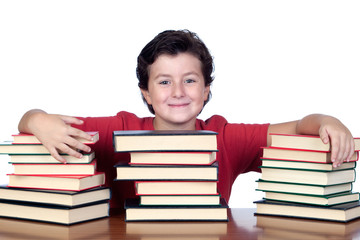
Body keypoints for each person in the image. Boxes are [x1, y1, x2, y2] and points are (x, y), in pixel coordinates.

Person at [18, 30, 355, 209]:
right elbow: (33, 123)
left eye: (190, 80)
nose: (178, 91)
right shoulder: (118, 129)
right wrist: (36, 119)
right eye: (164, 81)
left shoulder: (225, 137)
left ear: (206, 90)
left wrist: (328, 120)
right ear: (146, 94)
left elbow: (298, 127)